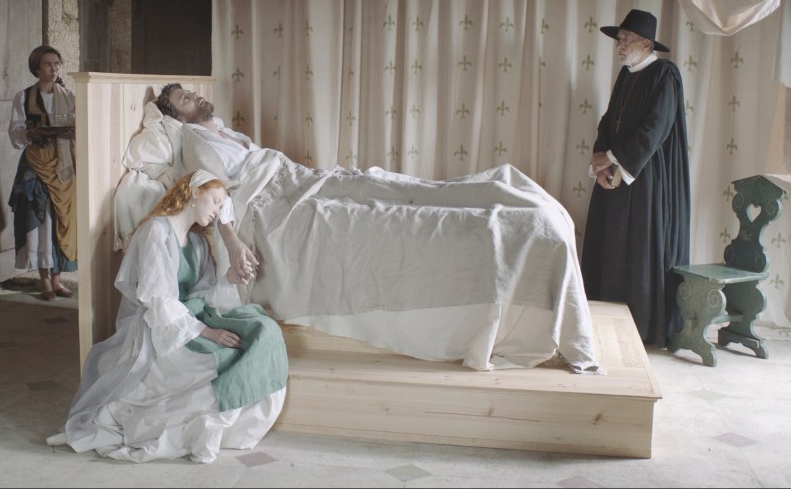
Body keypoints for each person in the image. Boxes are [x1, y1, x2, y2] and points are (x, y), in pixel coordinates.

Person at [153, 83, 603, 374]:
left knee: (399, 189)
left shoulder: (223, 130)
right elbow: (212, 192)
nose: (194, 96)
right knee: (390, 220)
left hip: (299, 180)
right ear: (177, 118)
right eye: (184, 99)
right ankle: (512, 231)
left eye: (190, 92)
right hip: (273, 210)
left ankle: (505, 200)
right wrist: (232, 241)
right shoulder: (194, 141)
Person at [47, 170, 288, 464]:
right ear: (194, 192)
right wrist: (205, 332)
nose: (217, 211)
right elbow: (158, 300)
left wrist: (229, 279)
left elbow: (200, 296)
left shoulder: (198, 243)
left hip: (188, 319)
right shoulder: (156, 231)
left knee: (263, 329)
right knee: (226, 356)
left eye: (221, 205)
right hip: (160, 327)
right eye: (214, 201)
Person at [581, 9, 691, 348]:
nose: (620, 45)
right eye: (619, 39)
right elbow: (608, 120)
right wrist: (600, 161)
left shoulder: (665, 75)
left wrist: (613, 159)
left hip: (646, 180)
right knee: (610, 246)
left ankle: (641, 327)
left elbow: (656, 129)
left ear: (646, 43)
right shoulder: (626, 74)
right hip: (615, 175)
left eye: (626, 39)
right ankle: (604, 322)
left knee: (639, 249)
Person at [7, 45, 78, 301]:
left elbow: (79, 126)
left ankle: (57, 280)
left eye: (56, 63)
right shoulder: (24, 97)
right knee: (40, 217)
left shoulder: (69, 96)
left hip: (63, 164)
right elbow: (15, 133)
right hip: (36, 164)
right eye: (47, 64)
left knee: (60, 218)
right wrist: (30, 133)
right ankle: (44, 280)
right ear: (37, 69)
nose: (53, 68)